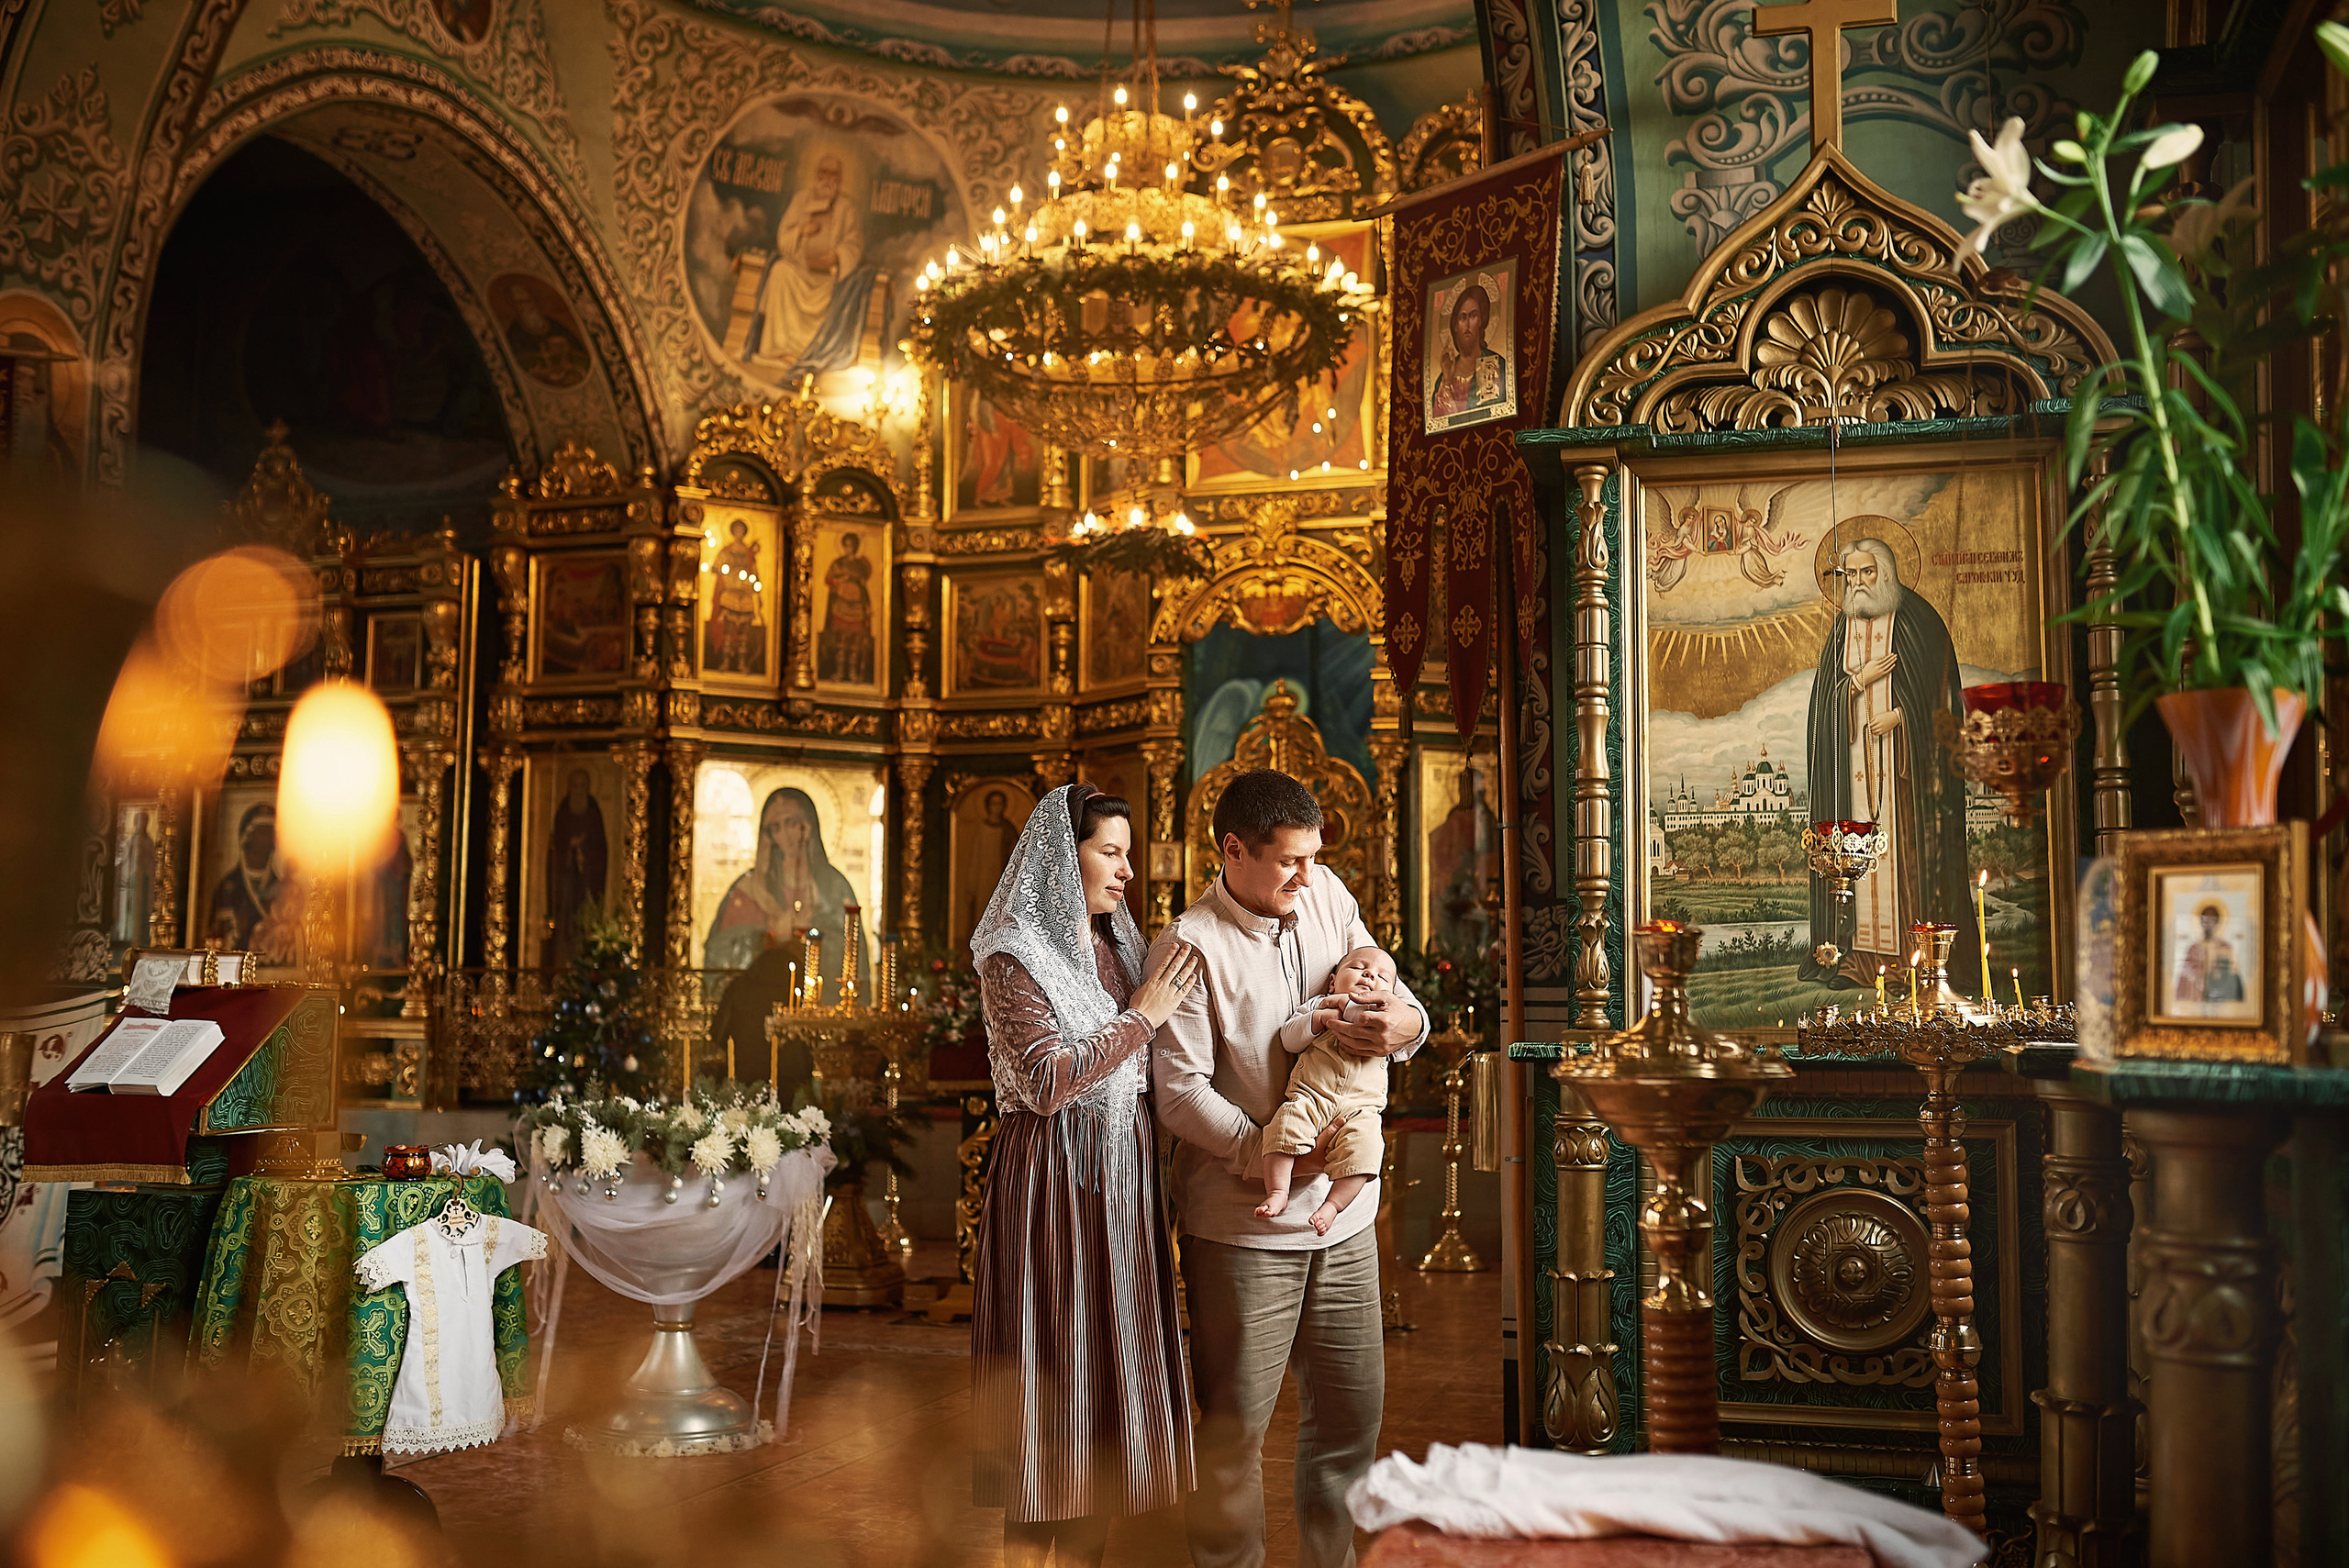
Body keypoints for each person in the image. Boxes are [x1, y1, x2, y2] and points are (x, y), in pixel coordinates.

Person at [1151, 768, 1429, 1568]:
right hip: (1242, 1229)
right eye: (1289, 862)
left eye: (1314, 858)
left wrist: (1403, 1023)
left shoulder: (1327, 892)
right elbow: (1178, 1094)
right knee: (1233, 1437)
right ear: (1233, 850)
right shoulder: (1190, 943)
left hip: (1344, 1224)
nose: (1307, 877)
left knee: (1350, 1426)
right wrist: (1273, 1151)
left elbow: (1399, 999)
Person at [971, 784, 1201, 1568]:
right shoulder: (1012, 951)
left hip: (1127, 1180)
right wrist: (1142, 1016)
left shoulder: (1120, 945)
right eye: (1110, 851)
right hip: (1051, 1184)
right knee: (1051, 1386)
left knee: (1106, 1394)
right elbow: (1044, 1077)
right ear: (1061, 860)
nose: (1127, 869)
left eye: (1127, 852)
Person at [1799, 538, 1975, 983]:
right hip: (1853, 773)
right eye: (1851, 574)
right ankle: (1861, 959)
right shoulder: (1841, 630)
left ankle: (1917, 960)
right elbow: (1824, 707)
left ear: (1887, 573)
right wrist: (1858, 681)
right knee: (1856, 862)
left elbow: (1947, 700)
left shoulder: (1920, 621)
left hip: (1906, 775)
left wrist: (1901, 716)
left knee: (1908, 857)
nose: (1858, 583)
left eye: (1867, 573)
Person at [1259, 944, 1397, 1236]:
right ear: (1333, 981)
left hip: (1362, 1108)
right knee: (1284, 1127)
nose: (1370, 974)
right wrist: (1318, 1020)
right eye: (1359, 967)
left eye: (1382, 977)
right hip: (1312, 1096)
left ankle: (1333, 1205)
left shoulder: (1385, 1020)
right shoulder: (1320, 1005)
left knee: (1366, 1151)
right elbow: (1288, 1039)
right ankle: (1278, 1191)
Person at [703, 786, 867, 995]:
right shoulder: (748, 889)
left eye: (792, 823)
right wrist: (770, 936)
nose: (785, 834)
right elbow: (719, 954)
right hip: (757, 1007)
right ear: (768, 835)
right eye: (776, 827)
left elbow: (854, 954)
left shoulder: (834, 887)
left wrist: (813, 936)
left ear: (807, 827)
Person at [754, 153, 864, 367]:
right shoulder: (801, 199)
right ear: (817, 174)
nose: (827, 179)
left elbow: (854, 243)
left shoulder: (846, 208)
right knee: (779, 271)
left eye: (833, 174)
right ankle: (779, 349)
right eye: (823, 172)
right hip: (799, 271)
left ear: (839, 178)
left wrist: (837, 256)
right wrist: (801, 231)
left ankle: (816, 353)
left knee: (840, 292)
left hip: (828, 280)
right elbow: (784, 236)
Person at [1427, 282, 1509, 423]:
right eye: (1462, 317)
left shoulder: (1496, 364)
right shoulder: (1444, 378)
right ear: (1455, 326)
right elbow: (1438, 424)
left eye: (1473, 316)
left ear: (1481, 322)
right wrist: (1447, 381)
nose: (1467, 324)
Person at [817, 531, 874, 684]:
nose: (849, 548)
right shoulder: (838, 563)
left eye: (851, 546)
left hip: (857, 606)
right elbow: (829, 580)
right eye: (846, 545)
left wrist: (867, 606)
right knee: (840, 641)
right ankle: (840, 672)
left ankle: (853, 673)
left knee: (855, 642)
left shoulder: (860, 565)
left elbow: (863, 586)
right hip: (840, 605)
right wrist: (842, 580)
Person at [2176, 899, 2246, 1005]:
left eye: (2211, 921)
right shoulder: (2193, 948)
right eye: (2204, 921)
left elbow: (2233, 978)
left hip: (2220, 998)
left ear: (2218, 922)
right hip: (2196, 999)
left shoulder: (2225, 947)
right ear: (2200, 922)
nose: (2208, 925)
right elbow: (2185, 979)